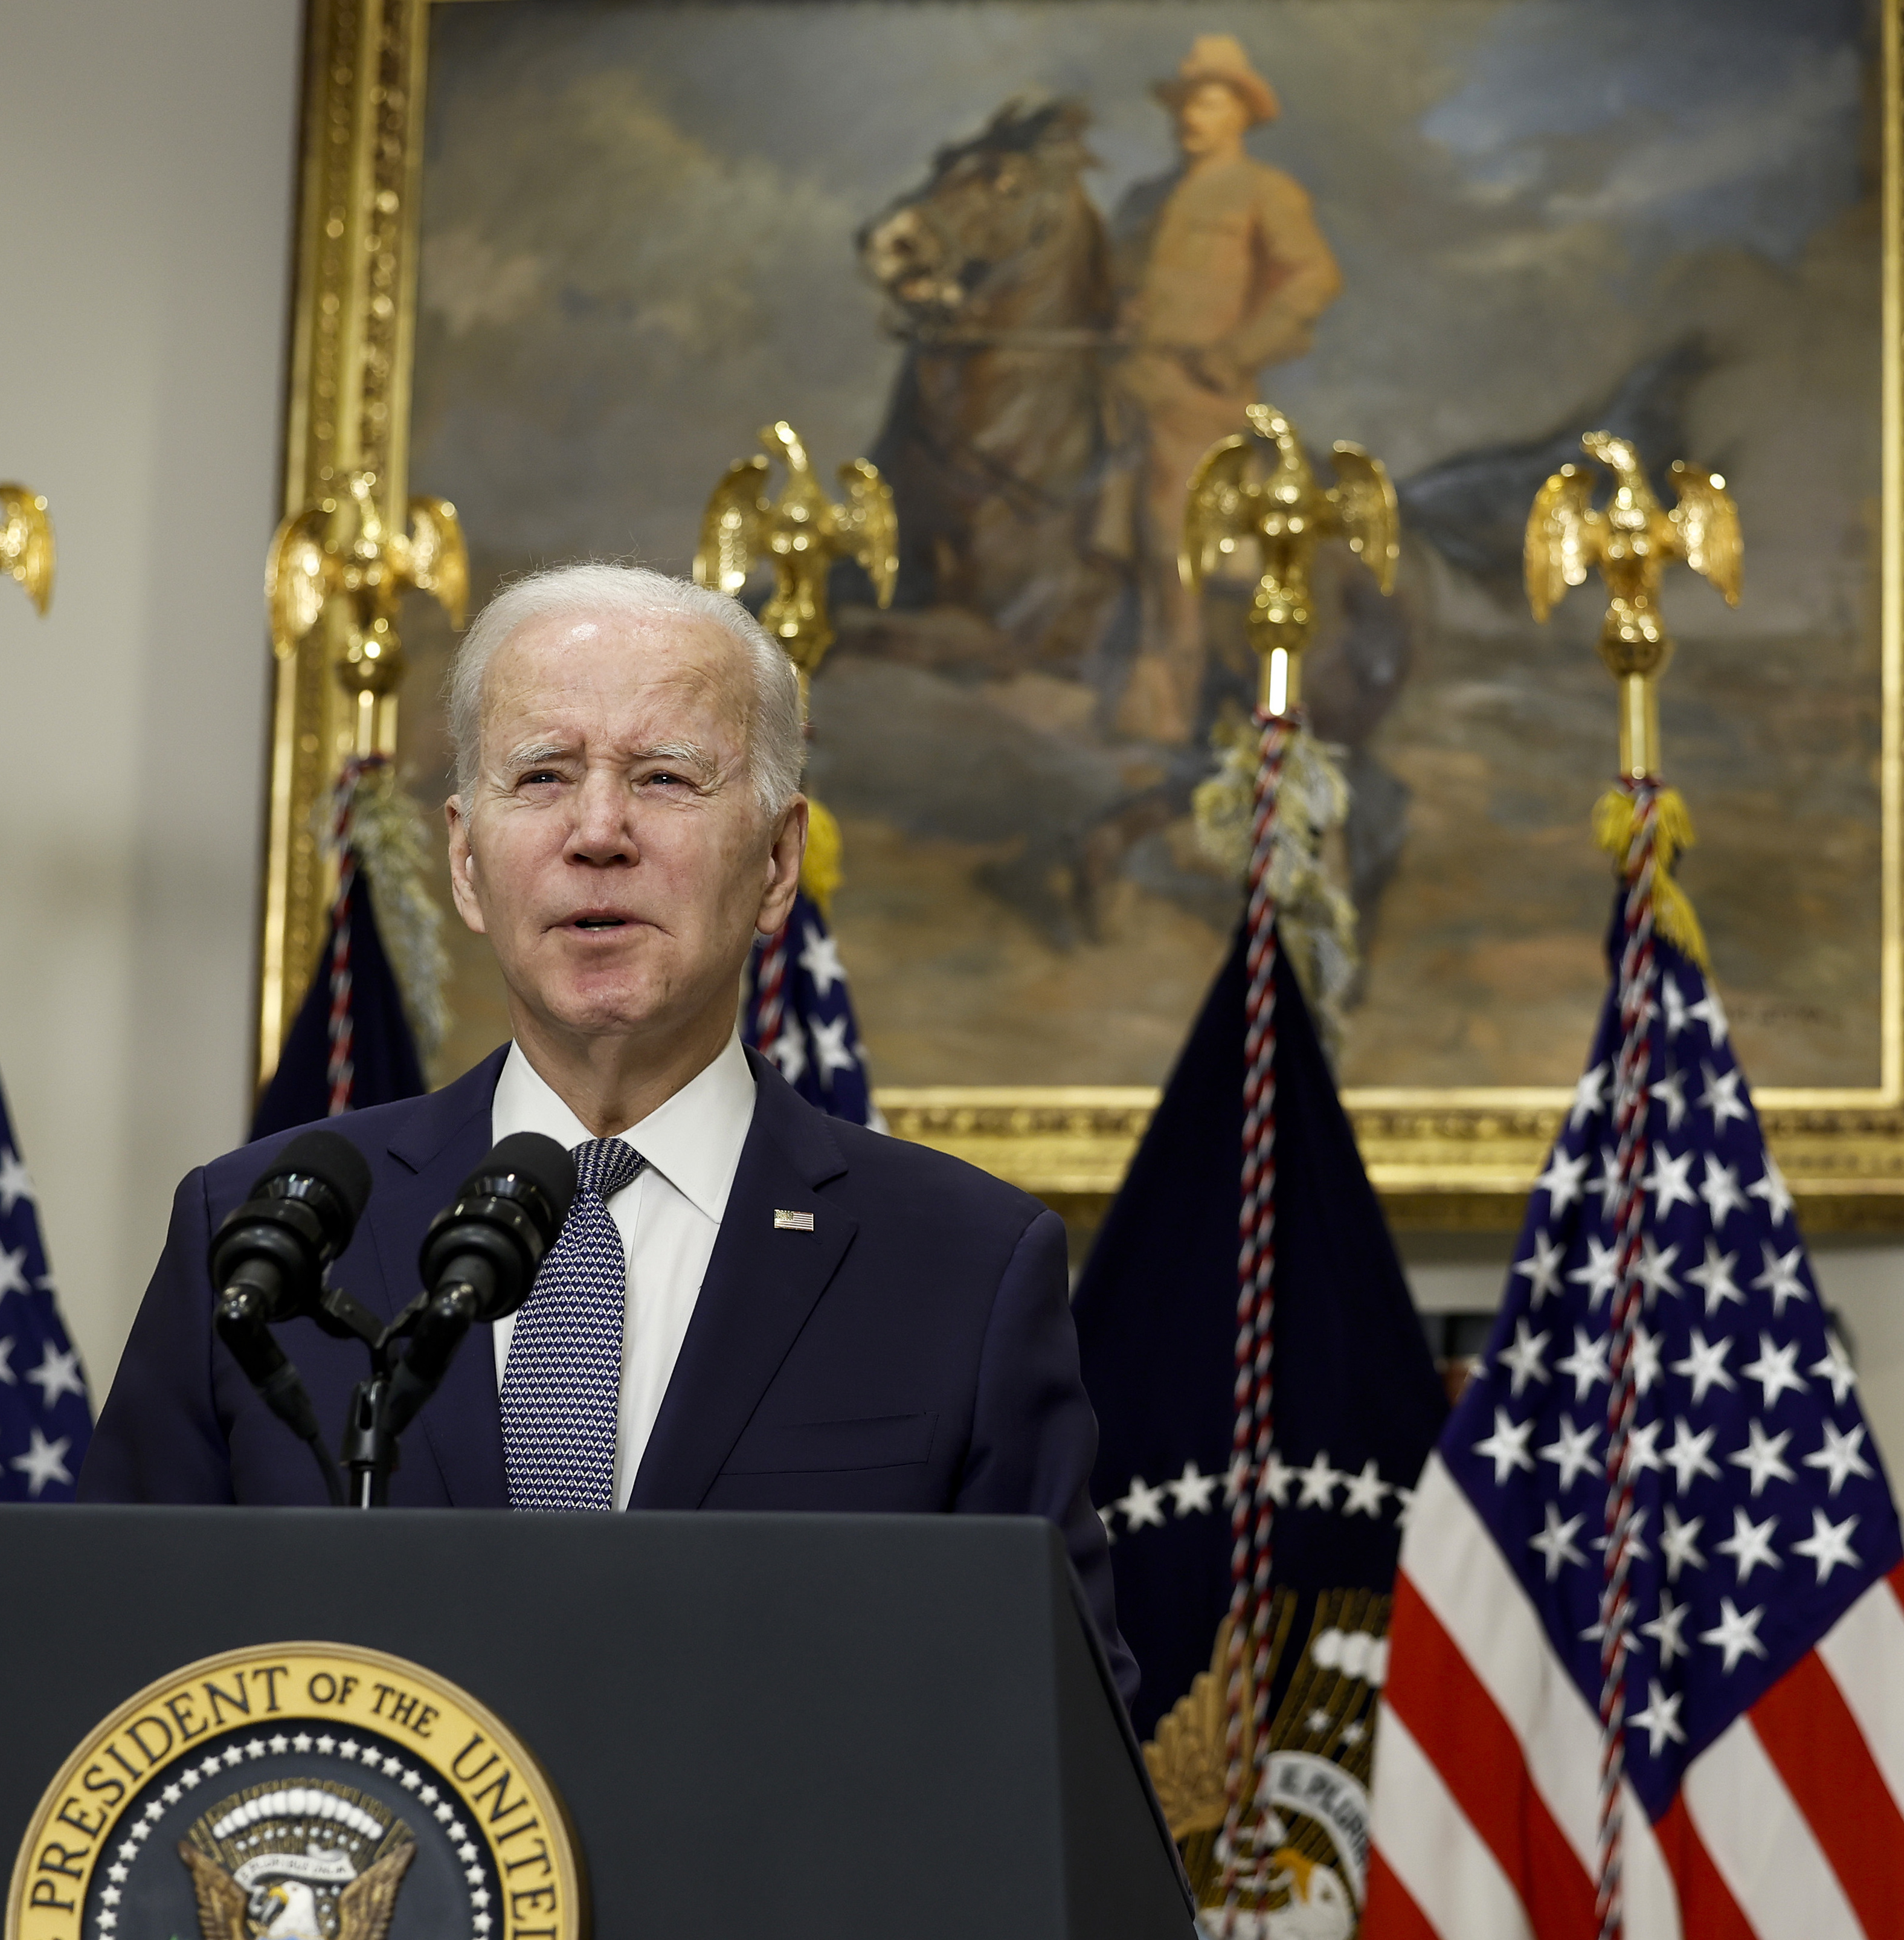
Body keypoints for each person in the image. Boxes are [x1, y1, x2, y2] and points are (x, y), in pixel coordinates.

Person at [79, 561, 1133, 1699]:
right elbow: (106, 1671)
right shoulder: (261, 1235)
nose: (597, 831)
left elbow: (1053, 1754)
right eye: (540, 775)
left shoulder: (962, 1266)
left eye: (666, 777)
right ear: (466, 859)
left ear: (778, 859)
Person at [1099, 34, 1343, 744]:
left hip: (1197, 401)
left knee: (1169, 519)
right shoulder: (1144, 199)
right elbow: (1114, 283)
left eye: (1207, 102)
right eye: (1184, 102)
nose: (1190, 116)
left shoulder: (1264, 192)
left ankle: (1165, 700)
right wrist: (1120, 310)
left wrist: (1239, 349)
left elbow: (1314, 279)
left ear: (1241, 113)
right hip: (1117, 383)